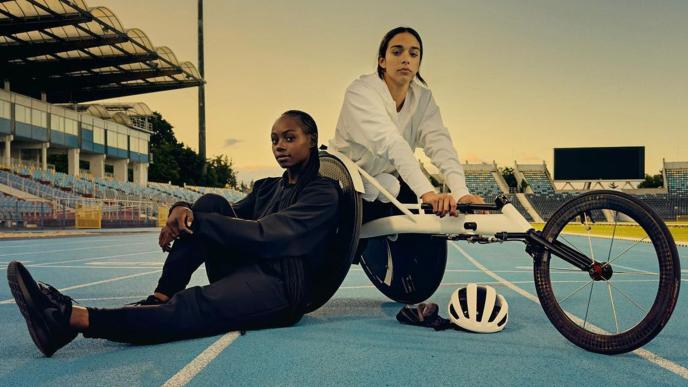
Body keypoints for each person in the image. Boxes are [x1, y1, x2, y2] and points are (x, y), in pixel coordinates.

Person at [7, 110, 341, 357]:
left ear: (311, 140)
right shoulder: (268, 188)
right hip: (249, 267)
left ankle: (70, 320)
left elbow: (267, 234)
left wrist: (195, 219)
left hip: (282, 287)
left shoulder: (323, 194)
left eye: (289, 137)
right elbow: (223, 214)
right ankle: (161, 296)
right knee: (210, 202)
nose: (279, 145)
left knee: (196, 306)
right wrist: (181, 208)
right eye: (274, 139)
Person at [331, 26, 484, 221]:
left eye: (414, 54)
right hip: (343, 179)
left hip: (384, 181)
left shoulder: (423, 98)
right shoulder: (360, 92)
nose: (406, 58)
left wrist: (461, 193)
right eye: (397, 52)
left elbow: (440, 145)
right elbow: (390, 142)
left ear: (419, 63)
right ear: (382, 61)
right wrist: (427, 194)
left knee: (419, 227)